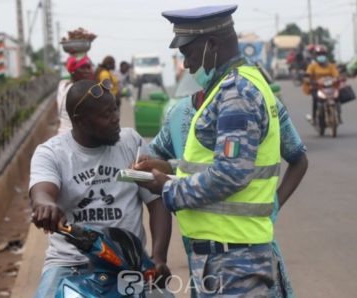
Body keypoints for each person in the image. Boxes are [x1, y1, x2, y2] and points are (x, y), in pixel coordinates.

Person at [135, 5, 308, 297]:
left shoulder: (237, 93)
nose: (187, 65)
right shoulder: (230, 89)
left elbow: (230, 174)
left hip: (234, 261)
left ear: (212, 45)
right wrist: (167, 168)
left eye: (188, 53)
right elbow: (213, 165)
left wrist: (168, 188)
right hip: (223, 258)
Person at [148, 83, 307, 297]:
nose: (188, 63)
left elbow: (298, 159)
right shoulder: (179, 114)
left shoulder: (255, 101)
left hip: (246, 249)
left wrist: (273, 205)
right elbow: (158, 159)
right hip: (199, 254)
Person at [29, 79, 172, 297]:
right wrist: (45, 206)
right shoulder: (52, 153)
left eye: (115, 109)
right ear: (81, 122)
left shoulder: (130, 142)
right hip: (69, 264)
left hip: (126, 266)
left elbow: (156, 200)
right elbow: (42, 192)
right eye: (106, 115)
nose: (116, 119)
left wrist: (158, 258)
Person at [56, 55, 94, 135]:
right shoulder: (80, 92)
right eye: (83, 68)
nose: (88, 71)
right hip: (74, 138)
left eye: (88, 67)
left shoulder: (62, 84)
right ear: (73, 71)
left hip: (62, 134)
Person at [303, 45, 341, 124]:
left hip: (330, 87)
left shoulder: (331, 66)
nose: (321, 56)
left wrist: (337, 79)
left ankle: (338, 115)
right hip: (317, 87)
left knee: (337, 98)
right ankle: (314, 118)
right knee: (315, 100)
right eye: (319, 54)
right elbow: (307, 76)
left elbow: (336, 75)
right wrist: (311, 81)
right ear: (316, 56)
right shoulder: (312, 66)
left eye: (323, 54)